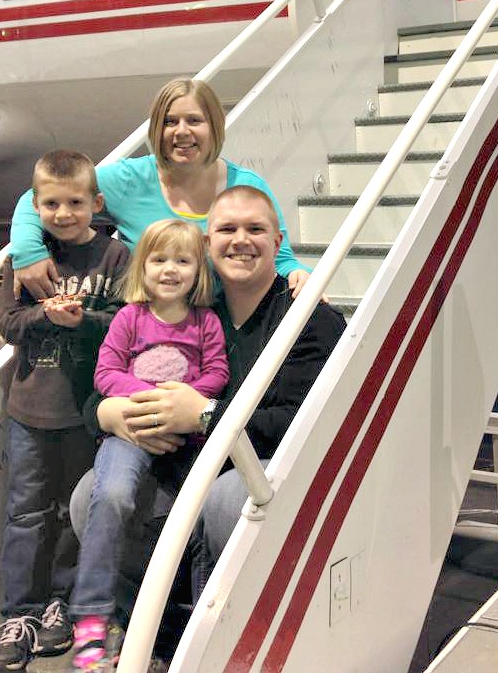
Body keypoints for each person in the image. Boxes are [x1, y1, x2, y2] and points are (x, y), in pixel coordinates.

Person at [70, 185, 346, 658]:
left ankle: (225, 644)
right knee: (86, 497)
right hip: (180, 466)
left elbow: (301, 421)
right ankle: (145, 629)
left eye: (255, 229)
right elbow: (108, 380)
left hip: (260, 472)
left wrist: (202, 415)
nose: (241, 240)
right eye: (228, 229)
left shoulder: (311, 320)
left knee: (221, 502)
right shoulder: (190, 308)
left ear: (278, 242)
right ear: (207, 242)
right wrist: (106, 414)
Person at [69, 219, 229, 671]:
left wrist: (182, 397)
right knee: (112, 496)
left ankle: (201, 634)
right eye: (159, 259)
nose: (170, 269)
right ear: (143, 267)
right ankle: (93, 618)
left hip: (185, 437)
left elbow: (217, 373)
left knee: (195, 519)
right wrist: (145, 397)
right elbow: (105, 374)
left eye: (183, 260)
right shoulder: (129, 318)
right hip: (133, 430)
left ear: (198, 271)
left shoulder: (206, 322)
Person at [0, 151, 129, 673]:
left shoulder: (115, 259)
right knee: (25, 511)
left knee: (74, 513)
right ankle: (18, 611)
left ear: (95, 203)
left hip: (86, 409)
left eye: (76, 202)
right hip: (30, 408)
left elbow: (124, 322)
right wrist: (46, 317)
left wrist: (82, 321)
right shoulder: (23, 260)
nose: (64, 212)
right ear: (35, 205)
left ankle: (62, 603)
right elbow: (8, 324)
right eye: (51, 203)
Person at [8, 77, 310, 302]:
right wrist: (28, 253)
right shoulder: (129, 179)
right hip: (139, 330)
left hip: (216, 333)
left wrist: (298, 274)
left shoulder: (246, 187)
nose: (181, 131)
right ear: (156, 129)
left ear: (215, 126)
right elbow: (39, 197)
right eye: (169, 122)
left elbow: (279, 258)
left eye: (194, 120)